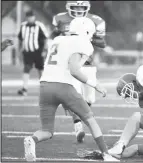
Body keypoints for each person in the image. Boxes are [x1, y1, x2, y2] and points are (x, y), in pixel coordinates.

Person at [23, 17, 118, 162]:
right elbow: (74, 70)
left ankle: (32, 139)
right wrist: (95, 84)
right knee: (90, 119)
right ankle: (106, 154)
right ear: (86, 31)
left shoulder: (58, 39)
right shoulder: (82, 43)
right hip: (63, 86)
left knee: (47, 131)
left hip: (44, 86)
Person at [51, 1, 106, 143]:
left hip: (88, 64)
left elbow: (102, 43)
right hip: (70, 64)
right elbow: (53, 38)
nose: (79, 10)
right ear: (69, 7)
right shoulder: (60, 19)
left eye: (81, 7)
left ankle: (79, 118)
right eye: (76, 7)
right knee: (73, 96)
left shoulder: (95, 21)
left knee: (89, 100)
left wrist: (88, 37)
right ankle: (77, 125)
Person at [17, 10, 49, 96]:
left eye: (32, 16)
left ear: (34, 17)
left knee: (40, 69)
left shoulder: (39, 25)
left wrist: (45, 50)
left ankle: (44, 89)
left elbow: (46, 38)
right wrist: (19, 50)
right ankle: (24, 88)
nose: (30, 18)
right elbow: (20, 39)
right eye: (29, 17)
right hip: (27, 52)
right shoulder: (23, 26)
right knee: (26, 68)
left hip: (38, 51)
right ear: (26, 17)